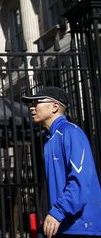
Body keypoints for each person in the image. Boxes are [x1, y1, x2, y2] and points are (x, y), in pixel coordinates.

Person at [22, 86, 101, 237]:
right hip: (59, 225)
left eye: (36, 102)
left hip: (80, 227)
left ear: (55, 107)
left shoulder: (71, 133)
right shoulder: (49, 138)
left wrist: (59, 211)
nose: (32, 108)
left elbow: (81, 180)